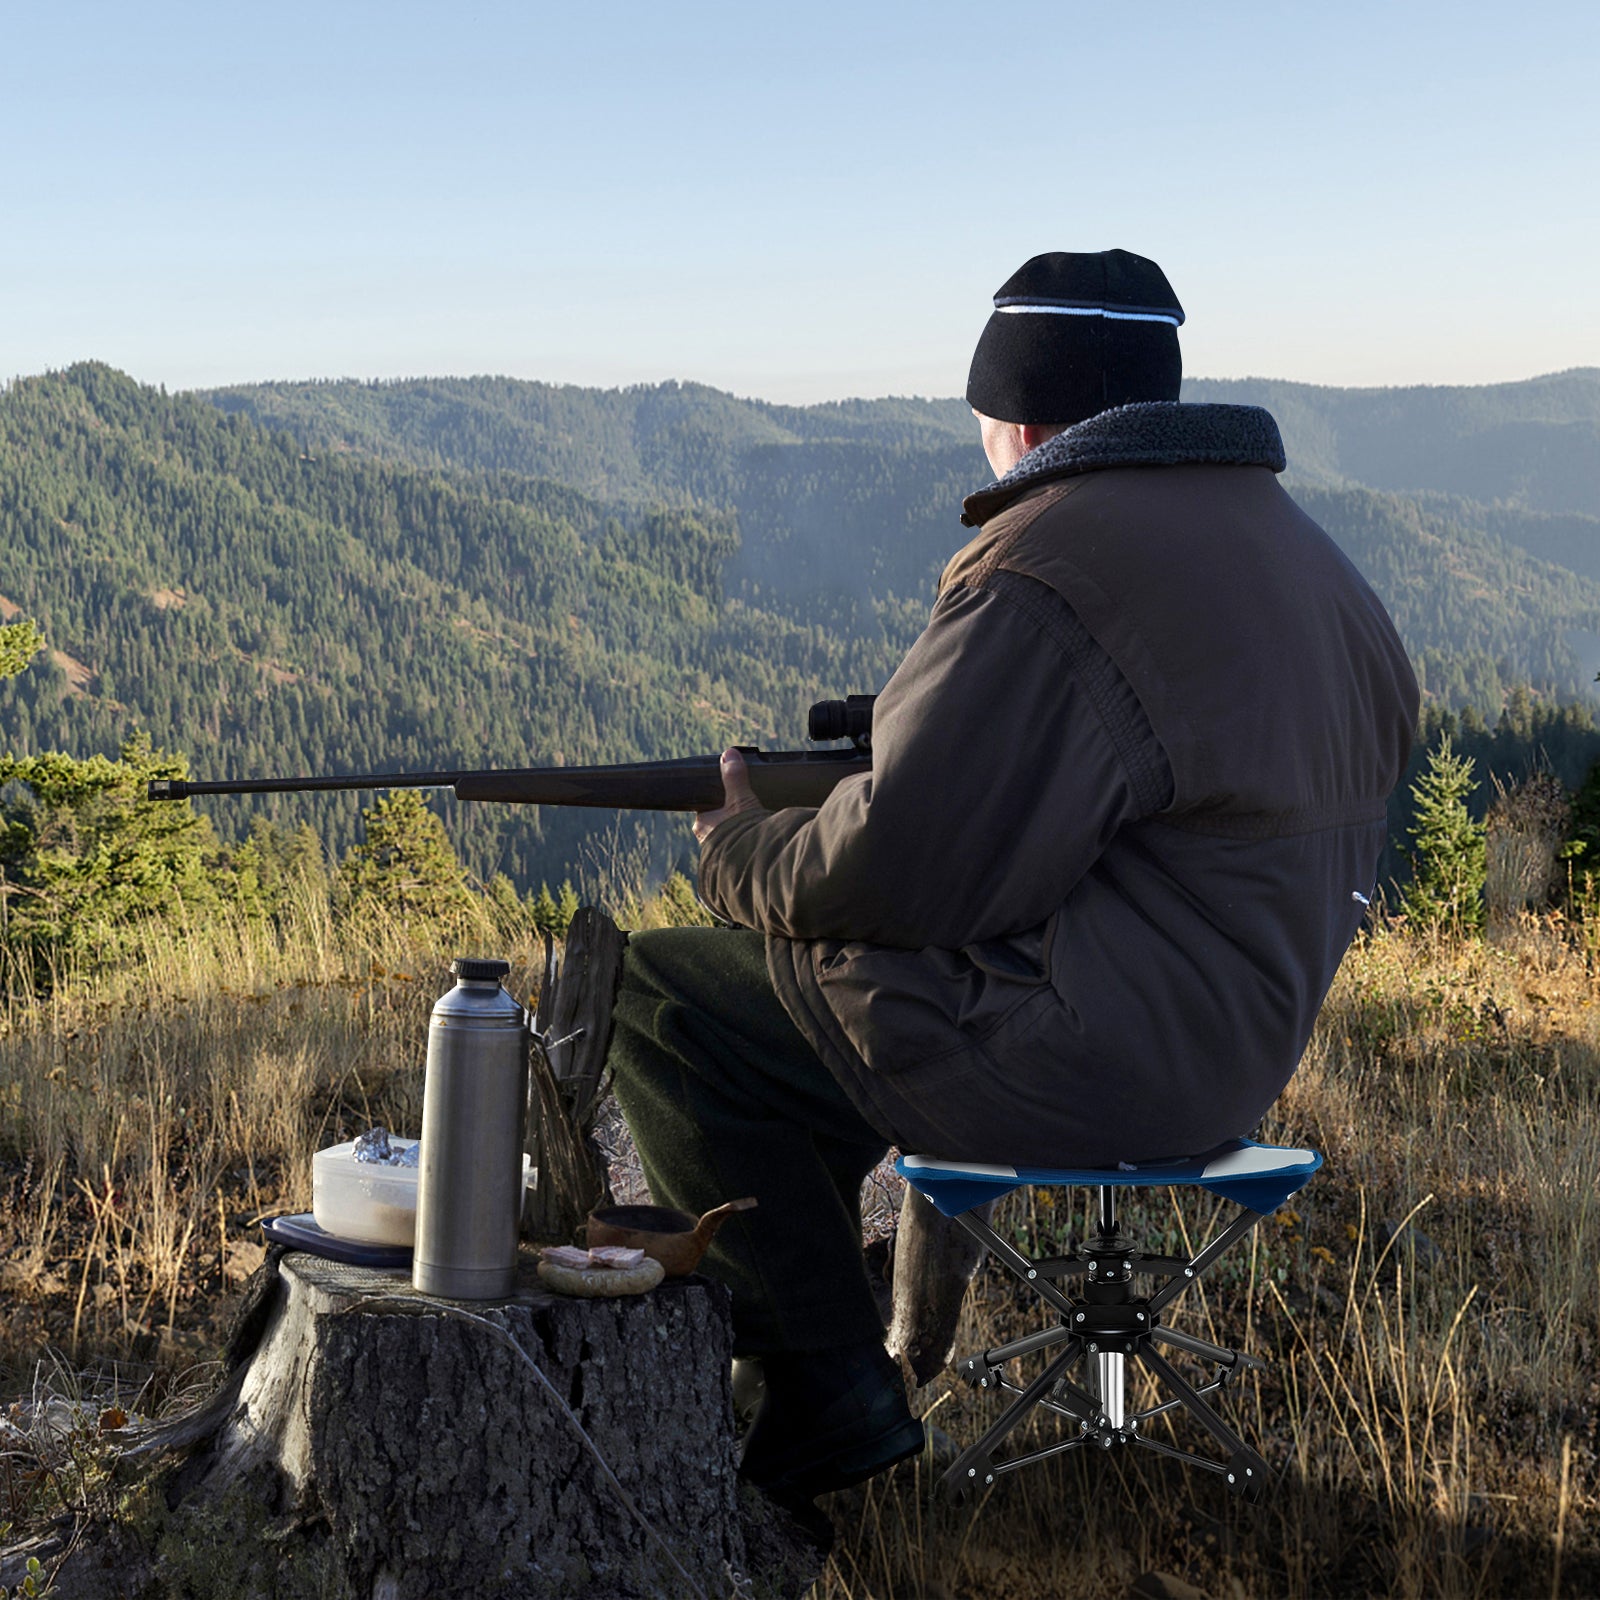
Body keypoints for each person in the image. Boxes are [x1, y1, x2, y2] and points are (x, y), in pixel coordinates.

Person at [606, 249, 1419, 1510]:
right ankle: (821, 1329)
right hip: (1228, 1052)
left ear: (1023, 417)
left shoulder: (1048, 563)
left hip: (1094, 1052)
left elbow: (902, 869)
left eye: (984, 415)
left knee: (665, 997)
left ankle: (832, 1395)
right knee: (799, 1033)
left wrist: (736, 851)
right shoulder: (1306, 558)